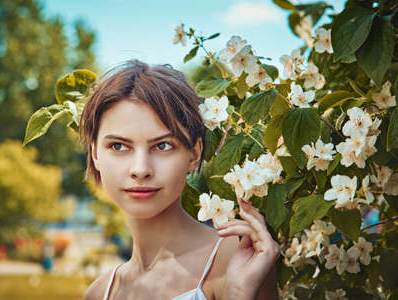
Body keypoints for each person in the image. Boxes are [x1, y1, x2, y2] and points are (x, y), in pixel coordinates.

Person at [81, 60, 279, 300]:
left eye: (163, 146)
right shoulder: (100, 292)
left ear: (194, 155)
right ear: (95, 154)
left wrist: (239, 294)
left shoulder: (236, 260)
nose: (140, 169)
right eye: (118, 146)